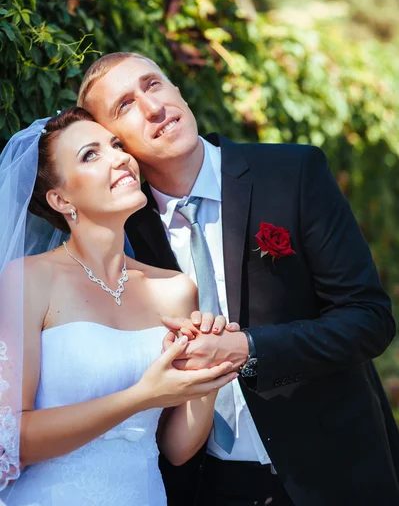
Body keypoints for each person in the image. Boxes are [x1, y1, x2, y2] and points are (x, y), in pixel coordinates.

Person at [77, 51, 399, 506]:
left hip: (333, 473)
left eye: (153, 85)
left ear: (177, 89)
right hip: (212, 486)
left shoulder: (293, 173)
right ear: (114, 143)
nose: (153, 107)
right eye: (125, 106)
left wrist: (248, 348)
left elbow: (369, 319)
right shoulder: (124, 230)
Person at [0, 107, 240, 505]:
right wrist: (142, 395)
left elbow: (176, 448)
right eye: (90, 155)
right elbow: (12, 439)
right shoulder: (27, 279)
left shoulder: (176, 289)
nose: (120, 158)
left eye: (115, 145)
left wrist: (210, 375)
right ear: (61, 199)